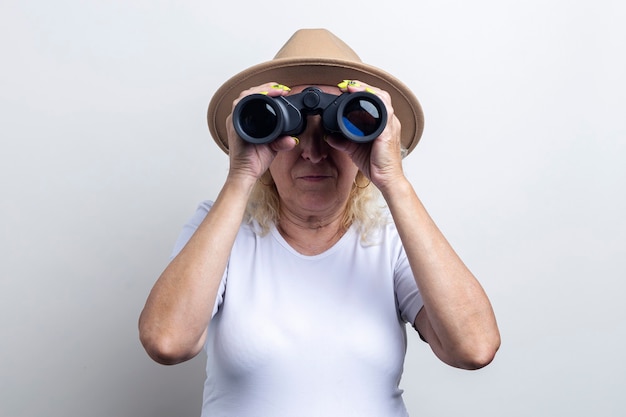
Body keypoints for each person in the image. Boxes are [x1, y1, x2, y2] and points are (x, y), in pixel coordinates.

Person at [139, 28, 500, 416]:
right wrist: (241, 174)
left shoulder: (392, 239)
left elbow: (473, 347)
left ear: (367, 140)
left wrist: (394, 180)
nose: (312, 153)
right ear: (266, 139)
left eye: (335, 132)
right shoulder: (222, 230)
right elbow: (167, 341)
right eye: (292, 131)